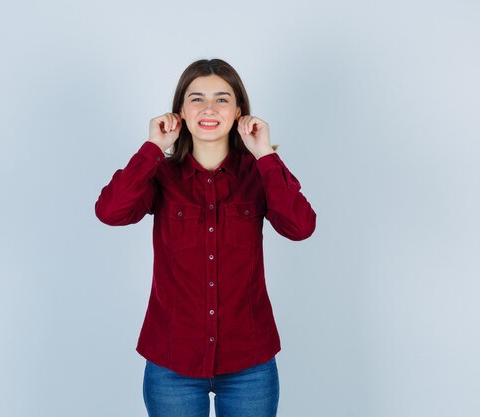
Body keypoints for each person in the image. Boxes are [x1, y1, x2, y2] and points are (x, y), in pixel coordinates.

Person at [95, 58, 316, 417]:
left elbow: (301, 227)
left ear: (239, 111)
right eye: (196, 98)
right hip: (172, 363)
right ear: (180, 111)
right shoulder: (162, 176)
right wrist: (152, 148)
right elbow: (110, 212)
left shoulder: (258, 173)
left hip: (249, 364)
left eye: (222, 99)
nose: (209, 108)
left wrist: (264, 153)